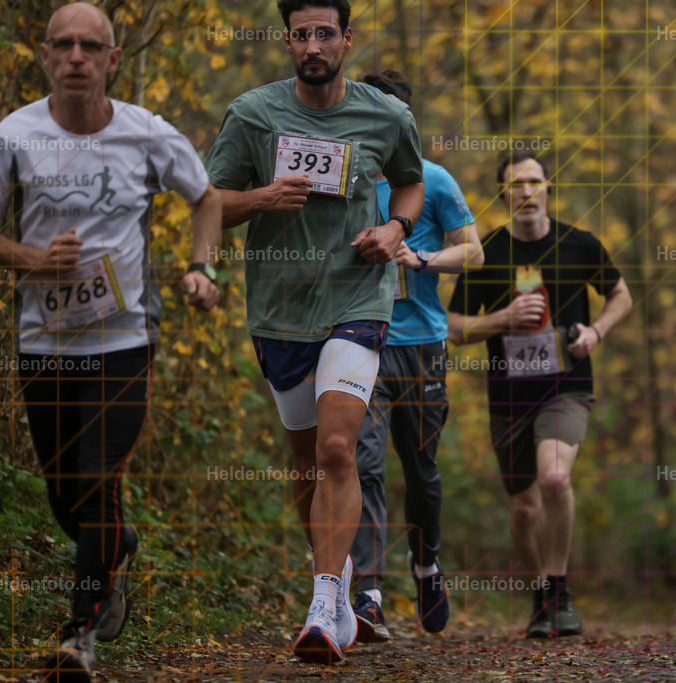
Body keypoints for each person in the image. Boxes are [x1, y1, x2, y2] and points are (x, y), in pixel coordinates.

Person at [0, 4, 222, 681]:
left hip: (124, 339)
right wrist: (33, 260)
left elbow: (207, 197)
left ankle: (79, 637)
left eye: (89, 47)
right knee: (64, 494)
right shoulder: (12, 135)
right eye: (64, 45)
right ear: (45, 56)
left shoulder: (146, 134)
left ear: (112, 60)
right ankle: (118, 548)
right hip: (43, 342)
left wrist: (202, 266)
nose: (76, 57)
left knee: (99, 480)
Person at [203, 0, 424, 664]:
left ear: (347, 41)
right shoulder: (252, 114)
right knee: (306, 462)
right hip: (278, 311)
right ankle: (336, 571)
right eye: (301, 35)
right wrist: (261, 198)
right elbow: (210, 202)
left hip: (358, 298)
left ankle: (327, 600)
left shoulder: (387, 116)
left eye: (324, 33)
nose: (312, 45)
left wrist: (396, 228)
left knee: (336, 448)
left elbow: (410, 185)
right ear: (289, 43)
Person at [446, 151, 632, 638]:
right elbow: (453, 327)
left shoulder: (580, 245)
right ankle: (541, 592)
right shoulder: (484, 253)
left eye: (534, 182)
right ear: (503, 195)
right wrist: (502, 319)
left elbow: (621, 295)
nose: (526, 192)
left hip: (566, 386)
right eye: (515, 184)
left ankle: (560, 589)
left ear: (548, 189)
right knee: (525, 509)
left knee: (554, 479)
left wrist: (596, 331)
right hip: (508, 397)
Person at [347, 70, 484, 642]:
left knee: (421, 472)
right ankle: (369, 597)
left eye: (392, 117)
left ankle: (426, 567)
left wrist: (421, 259)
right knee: (365, 465)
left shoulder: (433, 179)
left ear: (406, 123)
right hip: (360, 341)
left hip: (422, 348)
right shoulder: (348, 181)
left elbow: (473, 254)